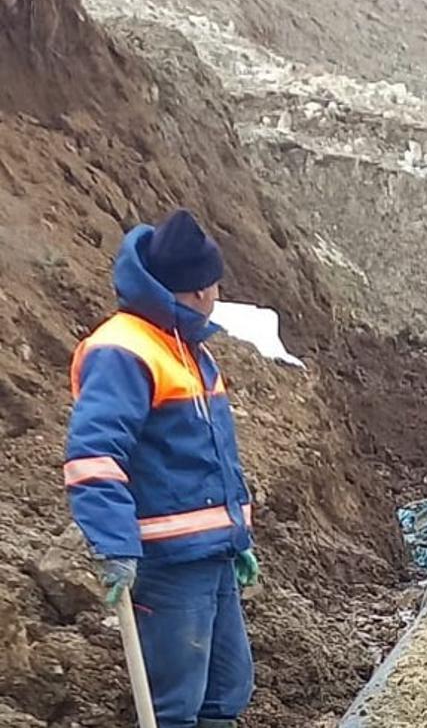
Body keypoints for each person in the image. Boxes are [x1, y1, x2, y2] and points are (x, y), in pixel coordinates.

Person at [64, 209, 259, 728]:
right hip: (168, 562)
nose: (217, 293)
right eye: (213, 284)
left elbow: (211, 453)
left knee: (227, 690)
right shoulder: (123, 350)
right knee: (175, 704)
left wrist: (236, 534)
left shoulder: (187, 347)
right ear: (194, 291)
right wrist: (115, 544)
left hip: (209, 553)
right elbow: (93, 457)